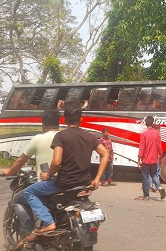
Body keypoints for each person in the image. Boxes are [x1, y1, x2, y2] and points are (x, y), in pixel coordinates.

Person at [24, 100, 109, 234]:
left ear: (64, 119)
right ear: (81, 119)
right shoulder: (90, 136)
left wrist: (48, 175)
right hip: (84, 183)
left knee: (29, 192)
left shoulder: (61, 136)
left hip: (64, 183)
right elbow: (105, 153)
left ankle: (48, 222)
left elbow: (56, 161)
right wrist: (97, 179)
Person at [2, 109, 60, 249]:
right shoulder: (64, 136)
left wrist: (9, 171)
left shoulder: (38, 139)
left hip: (48, 182)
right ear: (59, 123)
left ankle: (29, 234)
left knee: (18, 199)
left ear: (43, 124)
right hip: (66, 181)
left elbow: (21, 160)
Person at [136, 116, 166, 200]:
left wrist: (139, 160)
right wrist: (161, 158)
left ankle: (146, 195)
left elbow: (142, 147)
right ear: (153, 123)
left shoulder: (144, 134)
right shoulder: (157, 133)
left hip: (146, 160)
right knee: (154, 175)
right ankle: (159, 186)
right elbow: (160, 147)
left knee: (145, 177)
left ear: (146, 123)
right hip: (154, 160)